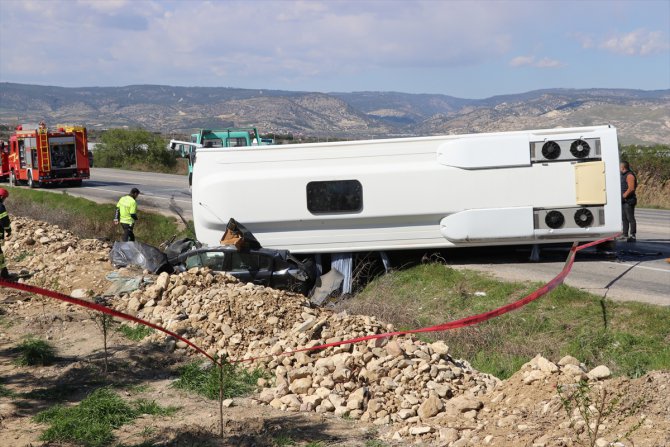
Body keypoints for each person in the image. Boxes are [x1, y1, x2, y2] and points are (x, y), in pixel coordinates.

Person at [620, 161, 637, 242]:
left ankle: (633, 235)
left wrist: (624, 195)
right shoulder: (622, 175)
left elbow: (631, 188)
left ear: (623, 167)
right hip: (623, 201)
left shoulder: (629, 175)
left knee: (630, 218)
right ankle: (625, 234)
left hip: (629, 200)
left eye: (619, 167)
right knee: (624, 218)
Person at [0, 188, 12, 279]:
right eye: (4, 198)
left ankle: (4, 273)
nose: (4, 200)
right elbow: (5, 220)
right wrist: (8, 230)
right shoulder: (0, 207)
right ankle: (4, 275)